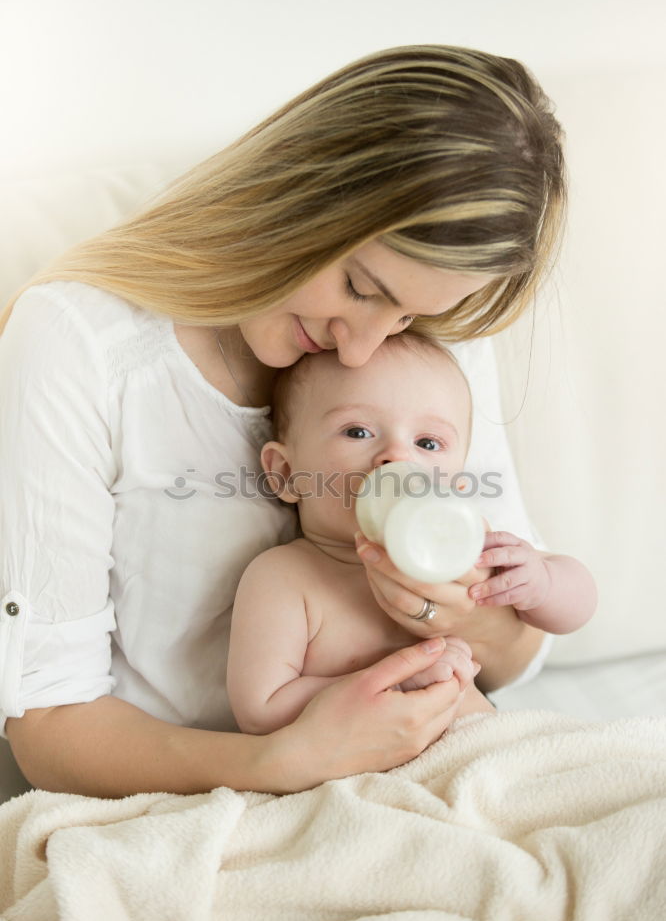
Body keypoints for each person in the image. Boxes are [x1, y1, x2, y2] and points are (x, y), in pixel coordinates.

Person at [0, 44, 567, 798]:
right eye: (361, 286)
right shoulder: (79, 344)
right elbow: (49, 726)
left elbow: (515, 654)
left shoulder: (434, 344)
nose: (367, 345)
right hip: (194, 804)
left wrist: (456, 612)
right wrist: (291, 759)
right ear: (306, 190)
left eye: (408, 315)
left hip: (431, 776)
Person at [227, 334, 596, 735]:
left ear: (456, 485)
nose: (398, 457)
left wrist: (541, 583)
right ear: (286, 472)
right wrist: (400, 681)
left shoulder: (464, 553)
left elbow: (580, 609)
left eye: (427, 442)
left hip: (481, 752)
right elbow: (260, 711)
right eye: (357, 432)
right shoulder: (284, 578)